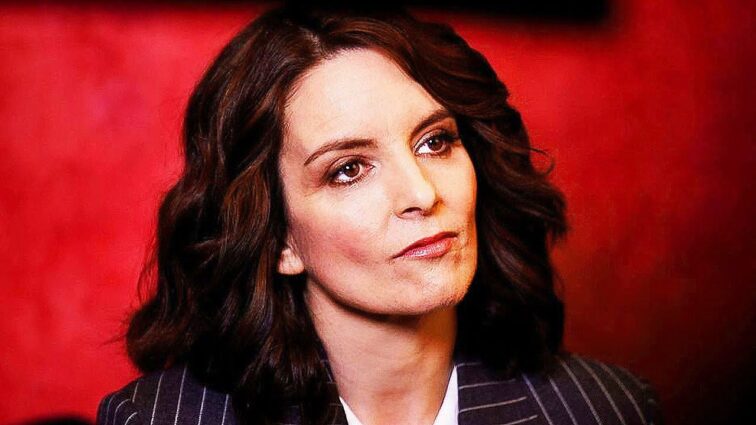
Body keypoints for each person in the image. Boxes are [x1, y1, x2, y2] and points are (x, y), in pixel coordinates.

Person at [96, 2, 663, 425]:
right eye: (348, 169)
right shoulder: (155, 420)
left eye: (435, 142)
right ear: (278, 240)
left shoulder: (608, 409)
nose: (421, 192)